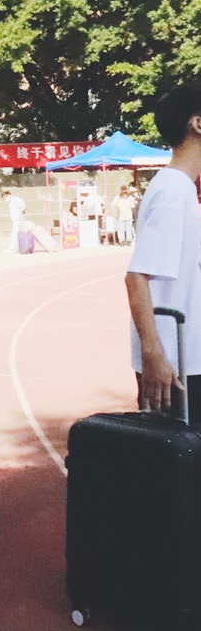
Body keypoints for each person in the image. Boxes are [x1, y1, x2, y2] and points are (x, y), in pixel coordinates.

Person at [126, 80, 201, 419]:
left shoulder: (179, 187)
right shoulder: (172, 191)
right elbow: (136, 278)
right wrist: (154, 356)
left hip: (185, 361)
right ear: (197, 123)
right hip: (177, 368)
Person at [0, 189, 27, 253]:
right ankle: (24, 247)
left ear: (8, 195)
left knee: (15, 234)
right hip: (16, 219)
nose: (5, 199)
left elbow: (24, 207)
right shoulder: (11, 201)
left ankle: (11, 248)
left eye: (5, 197)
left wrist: (19, 213)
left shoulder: (16, 199)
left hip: (18, 220)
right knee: (21, 233)